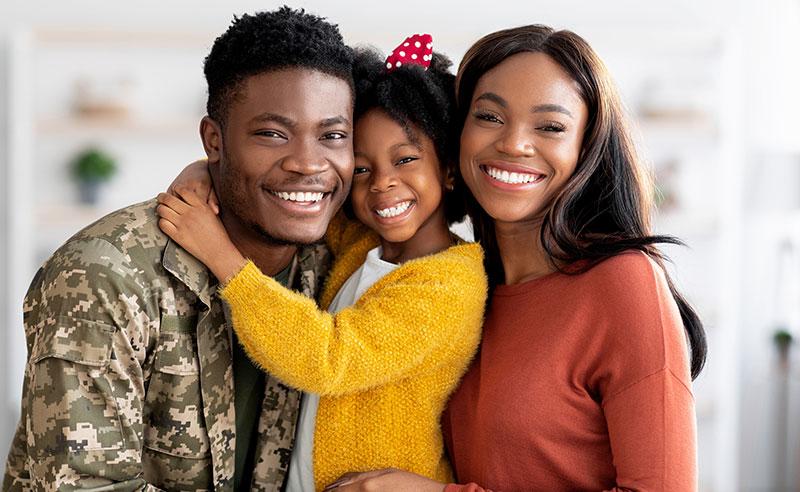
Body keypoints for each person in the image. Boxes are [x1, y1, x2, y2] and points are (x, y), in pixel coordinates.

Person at [330, 24, 707, 492]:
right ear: (454, 136)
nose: (513, 143)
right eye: (489, 117)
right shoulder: (457, 282)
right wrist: (213, 176)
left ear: (585, 147)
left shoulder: (621, 283)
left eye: (550, 127)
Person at [2, 7, 356, 491]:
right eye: (272, 134)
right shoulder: (105, 276)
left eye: (333, 135)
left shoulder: (340, 265)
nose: (307, 163)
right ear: (214, 140)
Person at [156, 37, 487, 492]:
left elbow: (328, 359)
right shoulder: (364, 243)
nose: (383, 184)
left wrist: (221, 256)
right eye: (364, 169)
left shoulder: (450, 282)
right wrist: (208, 168)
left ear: (449, 171)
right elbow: (294, 203)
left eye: (406, 160)